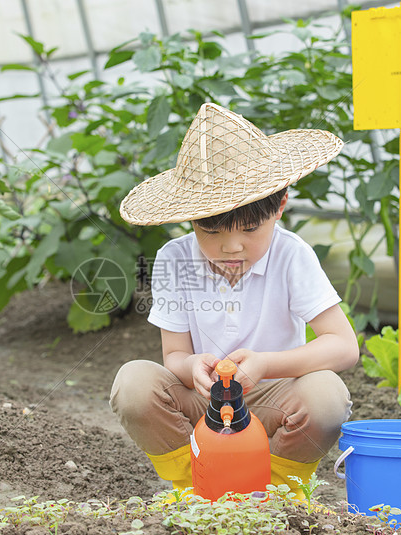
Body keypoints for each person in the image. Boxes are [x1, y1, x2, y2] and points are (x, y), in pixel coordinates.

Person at [111, 102, 358, 498]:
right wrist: (192, 366)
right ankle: (195, 486)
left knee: (326, 397)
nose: (231, 246)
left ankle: (275, 493)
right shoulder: (174, 258)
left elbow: (344, 347)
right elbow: (173, 355)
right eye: (211, 231)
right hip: (204, 401)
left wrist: (265, 365)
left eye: (248, 229)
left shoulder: (291, 255)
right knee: (134, 384)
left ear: (279, 206)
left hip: (274, 397)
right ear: (189, 219)